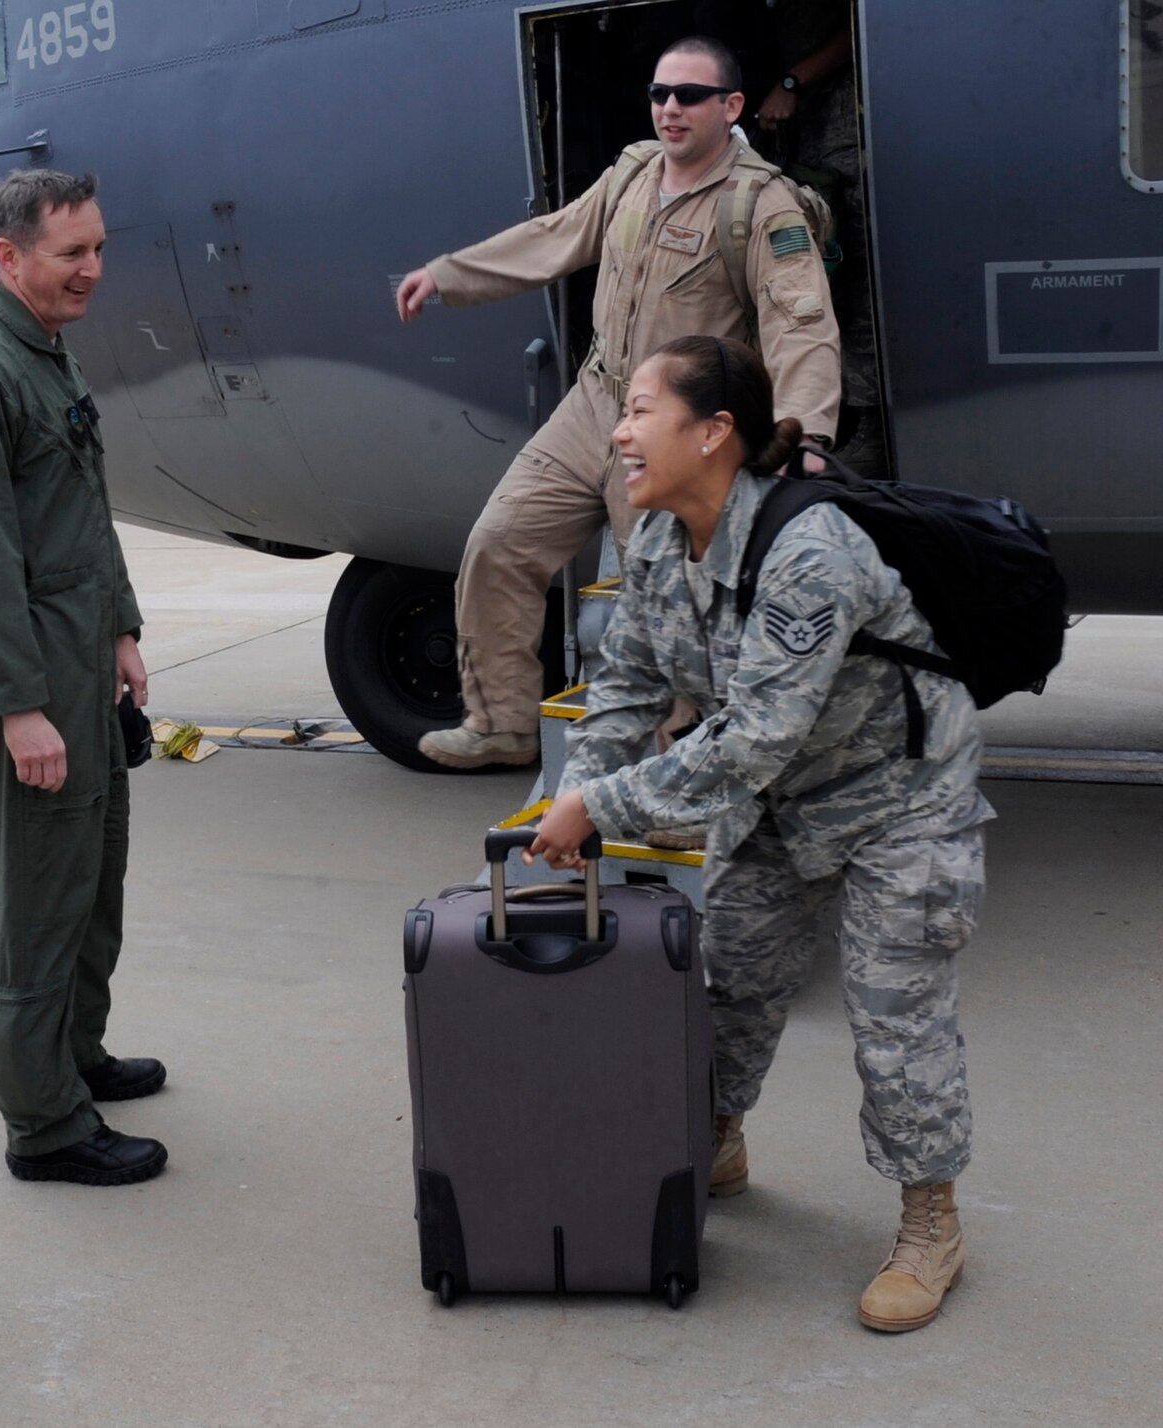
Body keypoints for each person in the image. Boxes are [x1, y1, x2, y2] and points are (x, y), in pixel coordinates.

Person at [527, 335, 987, 1333]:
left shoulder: (810, 553)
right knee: (730, 979)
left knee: (890, 1015)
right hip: (779, 800)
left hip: (896, 796)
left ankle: (928, 1221)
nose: (618, 430)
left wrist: (600, 810)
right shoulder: (654, 538)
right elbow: (629, 689)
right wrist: (570, 797)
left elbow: (752, 738)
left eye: (640, 409)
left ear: (713, 431)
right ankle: (713, 1140)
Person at [395, 35, 841, 770]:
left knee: (666, 602)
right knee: (499, 542)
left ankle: (675, 772)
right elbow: (556, 235)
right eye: (660, 94)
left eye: (690, 96)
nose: (670, 108)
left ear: (730, 107)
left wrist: (806, 434)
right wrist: (449, 275)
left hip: (680, 426)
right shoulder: (633, 173)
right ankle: (502, 722)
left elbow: (801, 324)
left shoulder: (761, 205)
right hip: (598, 400)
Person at [0, 170, 169, 1187]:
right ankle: (43, 1126)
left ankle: (73, 1059)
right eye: (71, 254)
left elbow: (77, 518)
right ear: (8, 258)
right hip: (25, 682)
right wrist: (16, 708)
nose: (92, 270)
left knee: (87, 882)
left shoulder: (41, 360)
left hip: (76, 664)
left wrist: (117, 631)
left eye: (99, 248)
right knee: (31, 904)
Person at [750, 0, 883, 475]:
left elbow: (863, 21)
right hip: (814, 136)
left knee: (860, 285)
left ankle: (871, 428)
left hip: (846, 130)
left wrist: (792, 83)